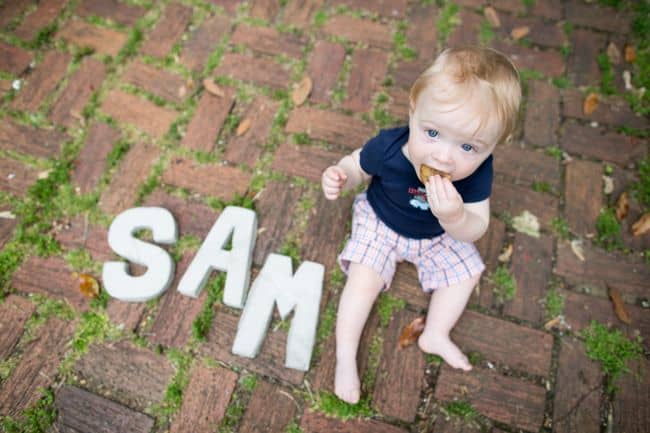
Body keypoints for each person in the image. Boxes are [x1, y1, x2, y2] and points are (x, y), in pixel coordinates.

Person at [321, 46, 521, 404]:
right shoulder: (390, 147)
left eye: (468, 147)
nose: (444, 156)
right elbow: (358, 165)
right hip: (381, 220)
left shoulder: (476, 176)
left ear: (491, 149)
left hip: (438, 234)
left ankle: (436, 333)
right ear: (413, 112)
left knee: (467, 271)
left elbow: (476, 227)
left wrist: (456, 217)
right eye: (432, 134)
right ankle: (345, 356)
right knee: (363, 280)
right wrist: (342, 175)